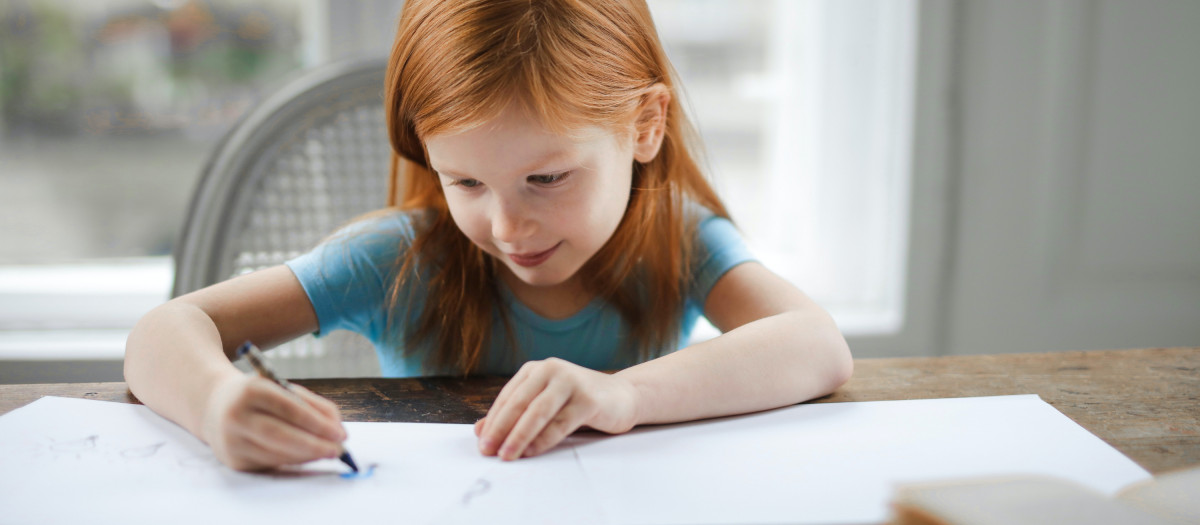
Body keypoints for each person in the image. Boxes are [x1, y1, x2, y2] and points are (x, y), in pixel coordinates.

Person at [124, 0, 853, 472]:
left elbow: (818, 347)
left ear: (645, 125)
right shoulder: (395, 259)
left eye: (547, 179)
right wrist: (216, 401)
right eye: (466, 182)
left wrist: (621, 396)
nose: (505, 228)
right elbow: (163, 331)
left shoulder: (681, 241)